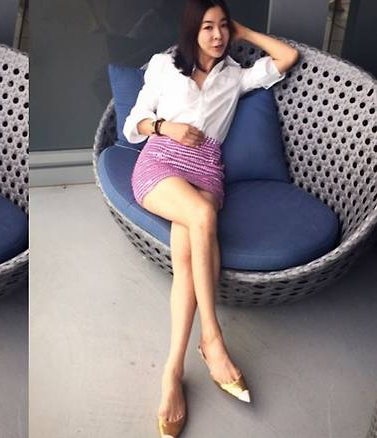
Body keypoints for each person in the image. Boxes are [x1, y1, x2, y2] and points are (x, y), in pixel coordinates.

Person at [122, 0, 298, 436]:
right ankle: (213, 339)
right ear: (191, 31)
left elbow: (287, 57)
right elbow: (133, 123)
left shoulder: (235, 75)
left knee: (186, 258)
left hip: (206, 168)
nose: (217, 36)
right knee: (202, 216)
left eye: (223, 27)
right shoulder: (164, 66)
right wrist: (166, 127)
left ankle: (172, 371)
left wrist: (245, 31)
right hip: (161, 159)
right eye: (207, 27)